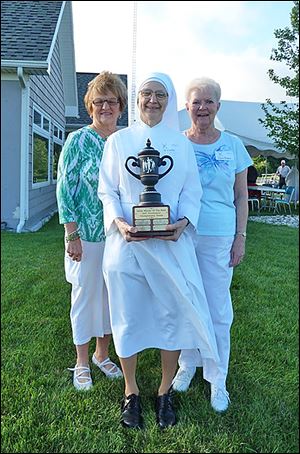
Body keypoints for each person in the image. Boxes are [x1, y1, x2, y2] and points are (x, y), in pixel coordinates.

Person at [98, 72, 220, 429]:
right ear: (137, 99)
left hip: (170, 246)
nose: (153, 100)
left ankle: (164, 392)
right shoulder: (119, 142)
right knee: (127, 316)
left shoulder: (181, 145)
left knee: (172, 318)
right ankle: (131, 392)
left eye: (161, 95)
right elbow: (108, 191)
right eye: (147, 93)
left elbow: (190, 192)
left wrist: (182, 224)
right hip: (127, 245)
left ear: (169, 102)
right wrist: (120, 223)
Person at [172, 77, 253, 413]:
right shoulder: (176, 144)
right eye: (196, 102)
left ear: (217, 106)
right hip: (182, 235)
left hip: (219, 235)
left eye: (208, 102)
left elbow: (241, 196)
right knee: (186, 302)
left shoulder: (233, 145)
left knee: (218, 308)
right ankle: (187, 364)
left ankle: (217, 378)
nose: (202, 108)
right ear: (187, 107)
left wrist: (240, 237)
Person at [56, 71, 127, 390]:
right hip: (84, 235)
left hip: (118, 237)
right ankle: (82, 362)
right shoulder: (78, 141)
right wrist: (71, 234)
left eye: (111, 101)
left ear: (121, 107)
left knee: (112, 297)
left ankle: (102, 354)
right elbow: (64, 188)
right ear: (90, 106)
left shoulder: (126, 143)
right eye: (99, 101)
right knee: (85, 297)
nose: (105, 107)